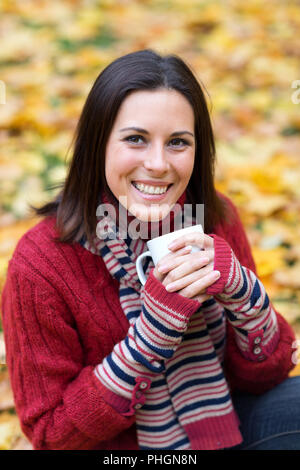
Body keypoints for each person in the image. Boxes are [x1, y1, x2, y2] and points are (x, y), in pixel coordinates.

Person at [1, 49, 299, 451]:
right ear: (98, 144)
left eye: (178, 142)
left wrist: (243, 293)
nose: (158, 164)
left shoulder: (215, 218)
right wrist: (149, 340)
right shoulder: (42, 264)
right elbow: (52, 436)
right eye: (136, 139)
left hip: (225, 428)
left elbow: (264, 379)